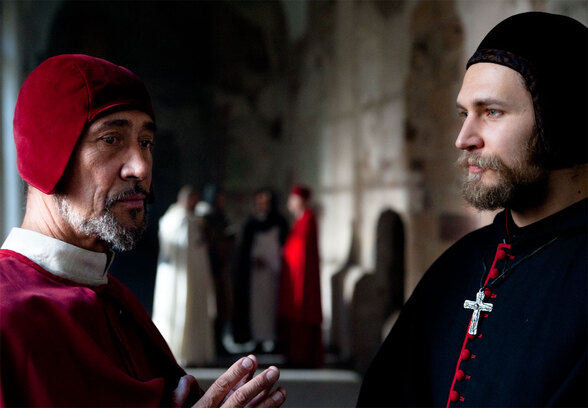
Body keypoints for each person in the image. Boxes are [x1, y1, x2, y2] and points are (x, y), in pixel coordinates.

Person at [0, 54, 286, 407]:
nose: (140, 168)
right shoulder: (7, 316)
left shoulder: (118, 301)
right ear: (45, 156)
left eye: (146, 142)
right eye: (111, 139)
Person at [357, 12, 586, 407]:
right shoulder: (458, 264)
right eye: (465, 114)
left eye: (491, 112)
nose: (464, 138)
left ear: (560, 121)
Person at [153, 185, 216, 366]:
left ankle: (197, 353)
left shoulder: (197, 219)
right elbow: (170, 248)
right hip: (179, 278)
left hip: (197, 275)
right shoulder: (174, 219)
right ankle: (177, 353)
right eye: (192, 199)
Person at [233, 188, 289, 352]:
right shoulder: (251, 223)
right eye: (259, 202)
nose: (262, 205)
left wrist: (272, 260)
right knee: (256, 307)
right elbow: (245, 248)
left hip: (274, 271)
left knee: (273, 305)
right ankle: (258, 338)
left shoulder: (279, 221)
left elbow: (285, 245)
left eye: (265, 202)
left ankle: (274, 338)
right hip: (256, 273)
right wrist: (253, 258)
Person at [277, 184, 324, 367]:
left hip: (302, 278)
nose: (290, 202)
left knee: (302, 313)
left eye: (292, 198)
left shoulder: (308, 219)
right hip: (293, 277)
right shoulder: (300, 219)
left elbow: (303, 252)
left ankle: (302, 356)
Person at [200, 183, 236, 355]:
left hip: (221, 267)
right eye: (219, 197)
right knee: (213, 305)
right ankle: (213, 343)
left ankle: (220, 341)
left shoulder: (221, 216)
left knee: (223, 306)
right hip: (210, 268)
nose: (222, 200)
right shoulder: (206, 216)